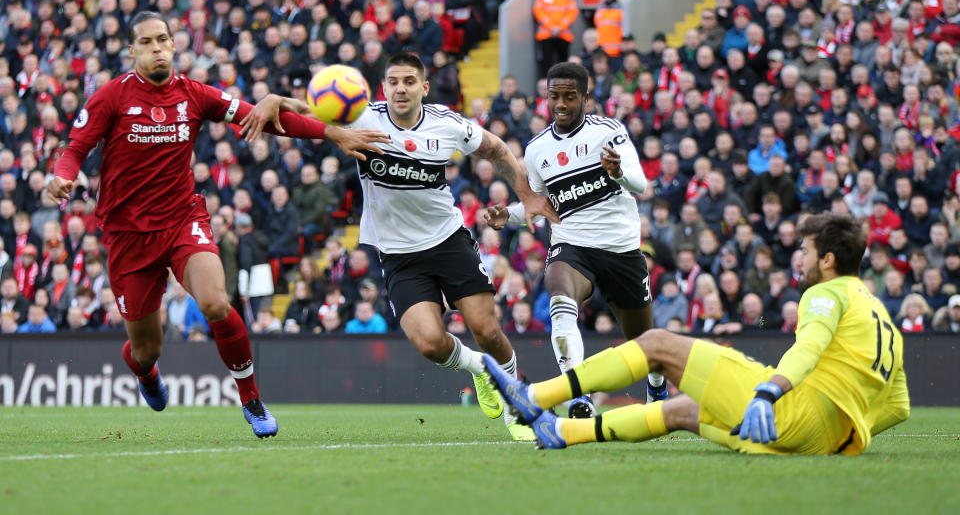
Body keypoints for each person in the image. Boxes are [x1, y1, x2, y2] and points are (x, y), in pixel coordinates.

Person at [47, 11, 390, 438]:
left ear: (174, 45)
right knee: (145, 349)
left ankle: (251, 399)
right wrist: (62, 175)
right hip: (128, 236)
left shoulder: (194, 94)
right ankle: (146, 371)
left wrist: (333, 134)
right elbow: (75, 147)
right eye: (147, 42)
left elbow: (265, 119)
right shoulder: (111, 98)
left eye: (163, 39)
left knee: (215, 303)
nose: (157, 48)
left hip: (181, 219)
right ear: (132, 50)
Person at [485, 213, 911, 455]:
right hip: (827, 441)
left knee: (655, 343)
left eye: (807, 251)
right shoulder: (879, 314)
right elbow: (898, 407)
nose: (799, 258)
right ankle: (561, 433)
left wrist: (770, 393)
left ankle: (535, 397)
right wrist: (843, 431)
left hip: (790, 413)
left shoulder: (826, 294)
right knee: (683, 411)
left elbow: (809, 349)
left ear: (830, 260)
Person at [348, 52, 558, 440]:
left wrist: (527, 196)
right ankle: (482, 370)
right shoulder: (362, 118)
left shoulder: (447, 124)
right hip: (398, 256)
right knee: (429, 343)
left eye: (409, 81)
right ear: (383, 88)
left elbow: (496, 149)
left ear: (424, 88)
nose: (400, 88)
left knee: (488, 332)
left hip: (448, 242)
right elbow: (306, 118)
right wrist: (277, 102)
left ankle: (517, 407)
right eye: (393, 81)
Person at [485, 62, 665, 419]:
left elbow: (641, 184)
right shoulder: (537, 150)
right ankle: (576, 392)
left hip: (620, 248)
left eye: (570, 96)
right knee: (558, 292)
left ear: (585, 97)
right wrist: (511, 215)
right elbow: (543, 206)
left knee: (645, 342)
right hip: (572, 245)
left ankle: (657, 386)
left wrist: (618, 174)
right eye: (554, 96)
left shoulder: (609, 131)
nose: (561, 104)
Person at [533, 0, 579, 79]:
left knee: (563, 65)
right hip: (546, 34)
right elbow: (538, 10)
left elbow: (572, 11)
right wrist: (551, 27)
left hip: (563, 34)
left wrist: (560, 27)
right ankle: (546, 88)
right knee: (546, 63)